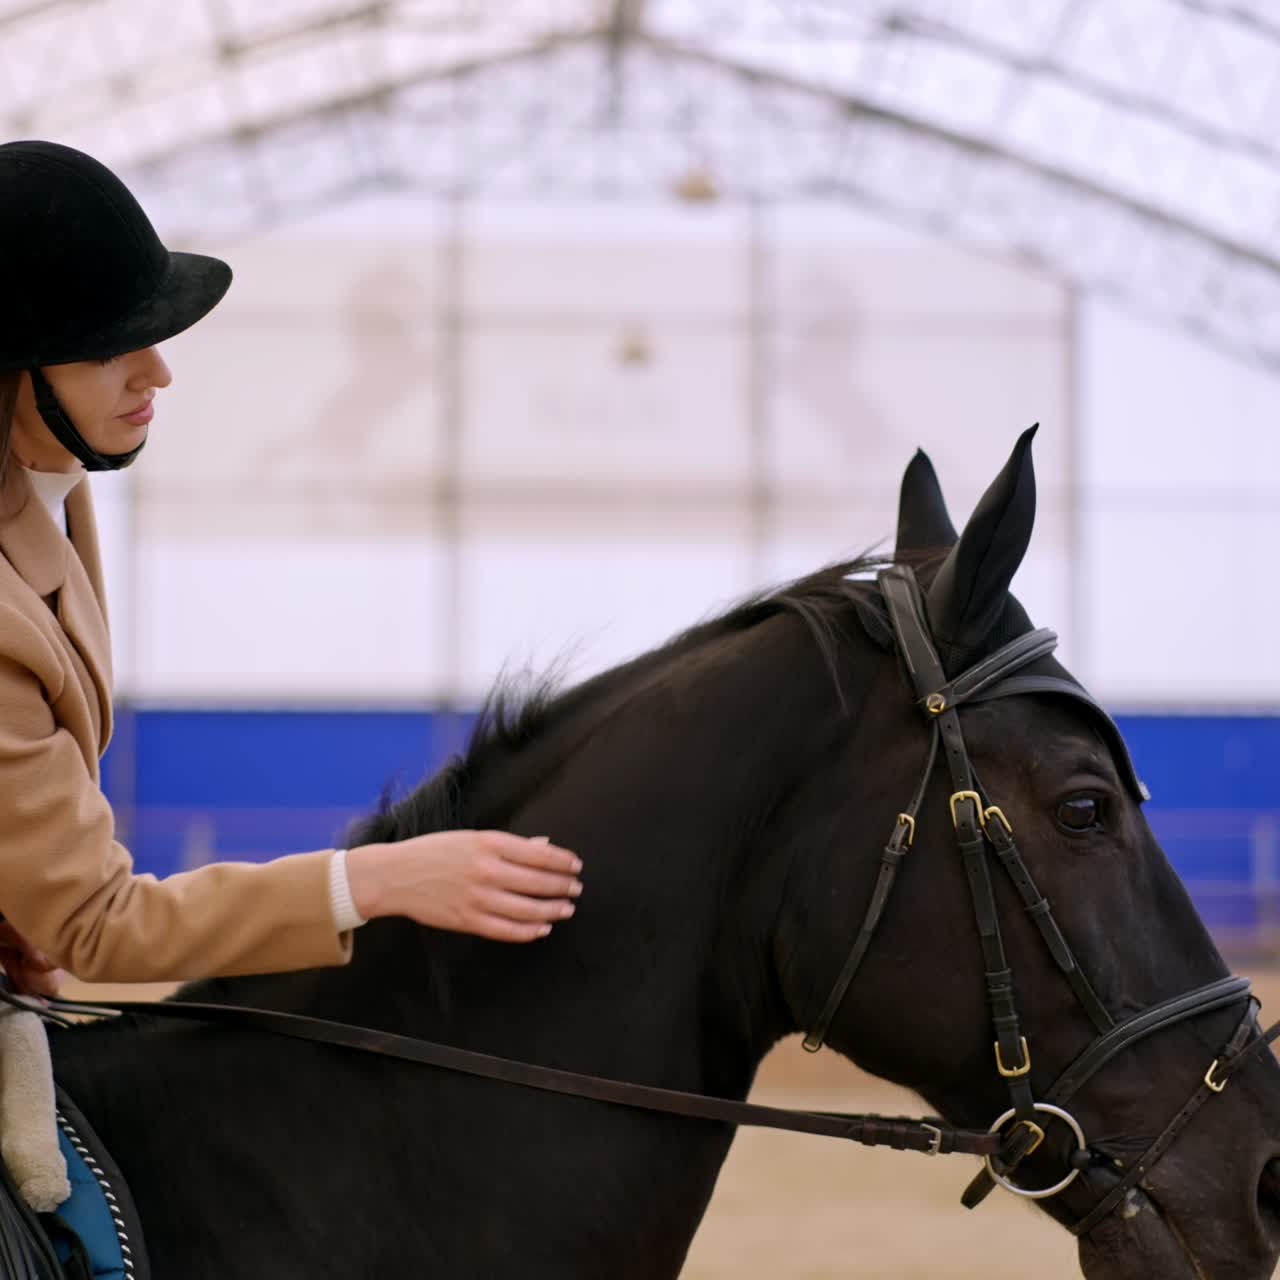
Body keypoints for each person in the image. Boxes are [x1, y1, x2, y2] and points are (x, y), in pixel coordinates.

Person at [0, 140, 582, 996]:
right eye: (106, 351)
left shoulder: (51, 483)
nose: (158, 371)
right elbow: (99, 923)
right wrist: (379, 879)